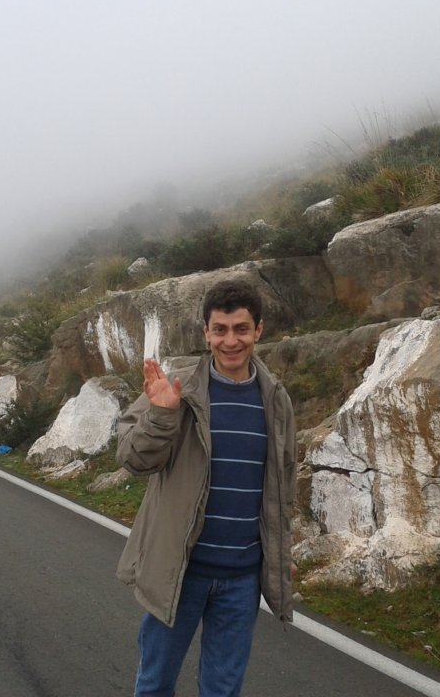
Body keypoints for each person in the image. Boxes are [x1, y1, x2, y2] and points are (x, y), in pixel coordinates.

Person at [116, 279, 297, 697]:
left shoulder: (276, 400)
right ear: (206, 333)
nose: (231, 341)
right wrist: (162, 416)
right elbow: (133, 459)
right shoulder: (176, 390)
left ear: (258, 330)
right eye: (220, 330)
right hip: (181, 571)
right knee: (155, 684)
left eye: (241, 329)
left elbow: (281, 486)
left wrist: (281, 551)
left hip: (242, 580)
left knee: (223, 691)